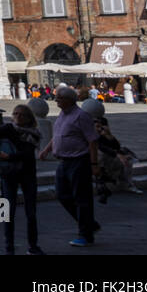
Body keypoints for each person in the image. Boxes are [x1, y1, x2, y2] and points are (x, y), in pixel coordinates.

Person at [39, 86, 101, 247]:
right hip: (64, 162)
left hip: (79, 161)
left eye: (59, 98)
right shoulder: (62, 114)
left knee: (82, 198)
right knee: (62, 195)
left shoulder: (82, 116)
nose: (56, 100)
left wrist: (94, 164)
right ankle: (89, 224)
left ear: (69, 100)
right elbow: (58, 135)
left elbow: (92, 141)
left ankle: (85, 235)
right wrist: (46, 150)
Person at [0, 105, 44, 255]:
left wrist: (8, 157)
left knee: (31, 212)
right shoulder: (8, 128)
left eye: (22, 115)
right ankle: (8, 246)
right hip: (9, 174)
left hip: (28, 174)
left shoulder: (34, 134)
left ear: (29, 118)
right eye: (15, 113)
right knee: (7, 211)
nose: (18, 117)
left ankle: (33, 246)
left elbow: (28, 154)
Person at [93, 115, 143, 200]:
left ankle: (126, 183)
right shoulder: (91, 136)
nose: (100, 128)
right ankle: (109, 180)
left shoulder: (103, 134)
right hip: (97, 161)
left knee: (128, 159)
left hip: (108, 158)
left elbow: (117, 146)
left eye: (101, 126)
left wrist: (109, 136)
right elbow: (100, 147)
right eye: (97, 126)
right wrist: (117, 154)